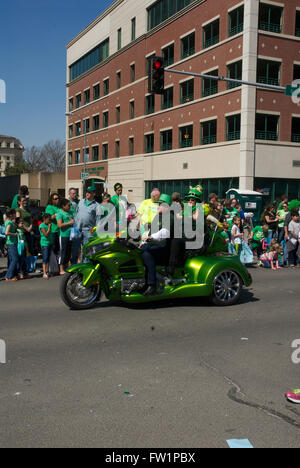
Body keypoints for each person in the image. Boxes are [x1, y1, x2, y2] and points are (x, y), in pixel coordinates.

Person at [141, 194, 175, 295]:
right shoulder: (158, 216)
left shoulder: (170, 217)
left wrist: (151, 237)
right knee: (136, 252)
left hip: (164, 248)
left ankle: (152, 285)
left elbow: (165, 232)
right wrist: (143, 242)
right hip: (153, 245)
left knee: (147, 254)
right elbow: (150, 232)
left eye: (160, 204)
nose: (158, 206)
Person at [75, 186, 102, 262]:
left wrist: (95, 232)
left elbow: (98, 220)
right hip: (78, 229)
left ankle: (86, 265)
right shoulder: (81, 202)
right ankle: (76, 265)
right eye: (86, 191)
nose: (87, 193)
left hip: (89, 231)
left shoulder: (97, 206)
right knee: (75, 249)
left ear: (93, 194)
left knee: (87, 250)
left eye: (89, 192)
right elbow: (76, 214)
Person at [56, 199, 75, 275]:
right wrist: (69, 223)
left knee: (69, 251)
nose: (69, 206)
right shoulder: (60, 213)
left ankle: (66, 266)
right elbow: (59, 225)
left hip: (71, 235)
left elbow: (73, 219)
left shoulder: (70, 212)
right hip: (63, 235)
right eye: (68, 205)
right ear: (63, 206)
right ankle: (61, 269)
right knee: (62, 252)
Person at [4, 209, 19, 282]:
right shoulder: (9, 222)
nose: (15, 215)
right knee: (15, 259)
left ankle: (11, 275)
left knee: (11, 259)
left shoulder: (7, 221)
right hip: (11, 243)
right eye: (14, 214)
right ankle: (8, 276)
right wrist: (14, 234)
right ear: (10, 215)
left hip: (9, 242)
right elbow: (6, 232)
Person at [39, 213, 53, 280]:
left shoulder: (48, 224)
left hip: (49, 243)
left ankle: (47, 271)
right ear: (45, 219)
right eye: (48, 219)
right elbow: (46, 234)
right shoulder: (42, 226)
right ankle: (44, 273)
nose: (49, 221)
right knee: (45, 258)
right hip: (44, 244)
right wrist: (49, 228)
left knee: (48, 258)